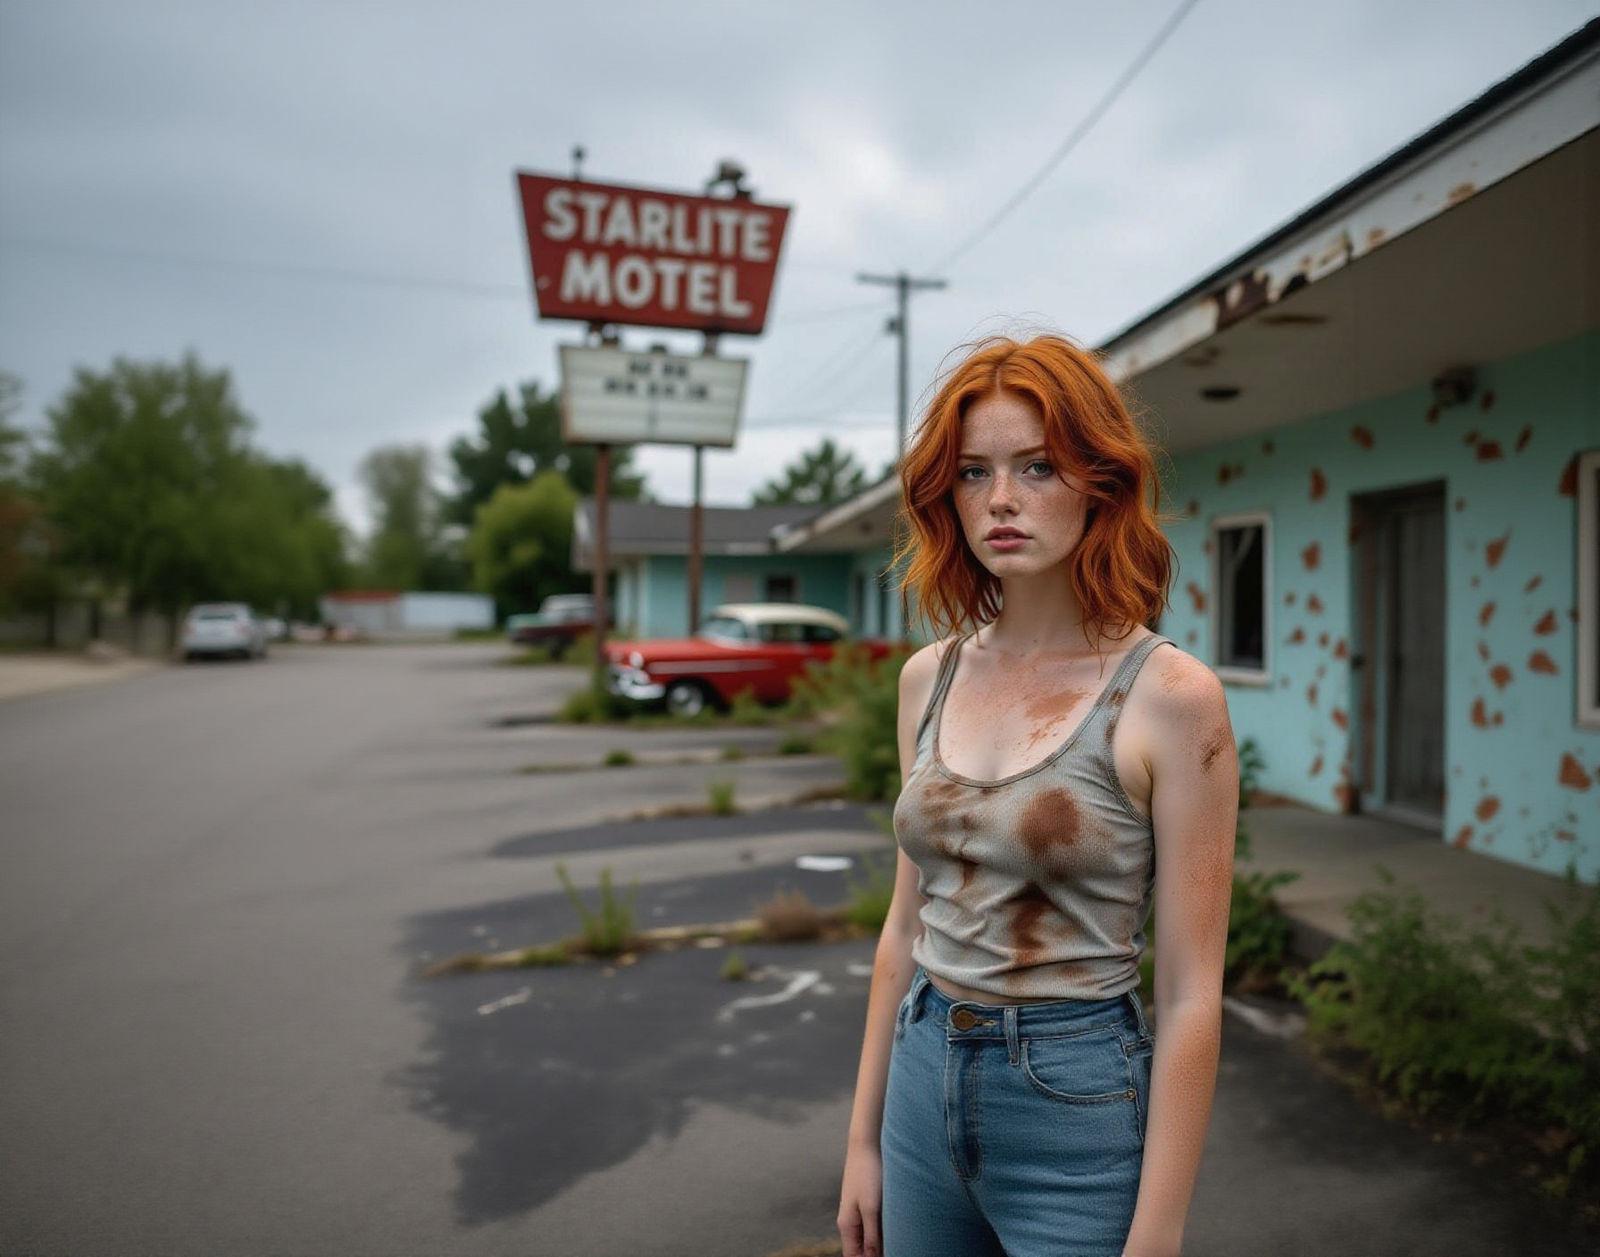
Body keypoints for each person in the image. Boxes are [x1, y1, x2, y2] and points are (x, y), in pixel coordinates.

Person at [836, 333, 1238, 1257]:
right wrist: (862, 1140)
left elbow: (1190, 993)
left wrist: (1159, 1232)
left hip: (1075, 1101)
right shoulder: (927, 678)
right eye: (973, 472)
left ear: (1099, 480)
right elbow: (904, 927)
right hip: (919, 1079)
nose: (1001, 499)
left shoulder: (1171, 697)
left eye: (1038, 466)